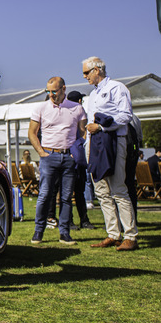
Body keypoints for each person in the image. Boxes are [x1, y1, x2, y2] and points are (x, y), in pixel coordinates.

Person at [82, 56, 139, 251]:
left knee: (118, 188)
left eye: (86, 73)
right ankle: (113, 233)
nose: (85, 77)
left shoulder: (117, 88)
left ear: (97, 70)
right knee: (101, 190)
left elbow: (125, 115)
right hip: (95, 144)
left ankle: (130, 234)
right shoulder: (92, 95)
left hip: (114, 141)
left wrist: (101, 127)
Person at [28, 76, 86, 246]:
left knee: (67, 197)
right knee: (44, 195)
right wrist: (41, 152)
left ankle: (64, 233)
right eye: (48, 91)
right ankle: (38, 231)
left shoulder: (77, 108)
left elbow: (82, 132)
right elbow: (32, 133)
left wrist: (77, 151)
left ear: (63, 89)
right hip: (48, 156)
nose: (51, 94)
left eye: (54, 91)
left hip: (68, 157)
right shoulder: (40, 108)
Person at [66, 91, 95, 230]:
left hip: (78, 161)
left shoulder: (74, 116)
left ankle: (80, 220)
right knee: (74, 193)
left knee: (74, 193)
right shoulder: (73, 117)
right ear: (78, 101)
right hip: (73, 160)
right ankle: (74, 221)